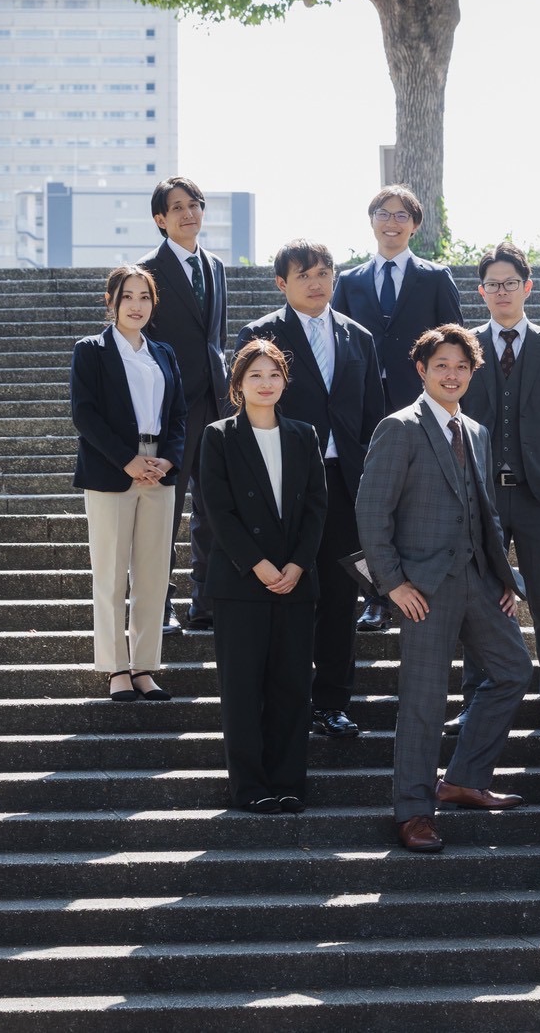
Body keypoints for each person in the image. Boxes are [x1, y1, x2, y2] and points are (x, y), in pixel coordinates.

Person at [354, 323, 535, 853]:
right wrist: (393, 585)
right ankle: (414, 811)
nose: (451, 375)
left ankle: (462, 779)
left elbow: (485, 512)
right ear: (422, 370)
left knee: (512, 670)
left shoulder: (475, 431)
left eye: (461, 367)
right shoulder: (399, 427)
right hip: (424, 588)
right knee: (424, 699)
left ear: (472, 373)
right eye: (441, 366)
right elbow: (371, 513)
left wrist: (504, 577)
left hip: (479, 579)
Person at [238, 240, 384, 741]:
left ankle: (332, 704)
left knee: (341, 596)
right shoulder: (259, 335)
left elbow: (373, 416)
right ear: (282, 283)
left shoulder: (359, 336)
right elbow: (246, 411)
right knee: (287, 593)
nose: (316, 282)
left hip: (345, 483)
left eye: (324, 272)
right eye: (304, 275)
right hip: (285, 483)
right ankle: (284, 702)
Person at [457, 242, 540, 738]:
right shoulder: (464, 347)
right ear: (481, 291)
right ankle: (475, 702)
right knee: (479, 600)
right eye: (492, 284)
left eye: (510, 283)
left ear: (527, 287)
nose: (502, 292)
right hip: (482, 495)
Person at [198, 339, 327, 814]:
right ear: (238, 383)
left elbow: (317, 507)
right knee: (242, 689)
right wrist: (257, 564)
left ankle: (289, 782)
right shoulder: (218, 436)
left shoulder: (304, 435)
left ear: (285, 382)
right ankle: (249, 786)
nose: (266, 383)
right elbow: (218, 511)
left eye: (274, 374)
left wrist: (298, 563)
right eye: (255, 375)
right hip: (240, 582)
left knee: (292, 686)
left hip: (296, 580)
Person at [331, 184, 464, 633]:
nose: (392, 222)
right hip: (363, 407)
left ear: (415, 225)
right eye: (384, 214)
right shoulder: (349, 281)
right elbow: (337, 340)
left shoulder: (435, 277)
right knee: (371, 500)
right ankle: (376, 596)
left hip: (419, 403)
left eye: (402, 215)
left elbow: (454, 341)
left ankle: (420, 586)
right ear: (371, 221)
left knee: (415, 499)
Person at [70, 265, 187, 701]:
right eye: (127, 296)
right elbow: (84, 414)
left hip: (159, 470)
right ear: (111, 301)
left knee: (153, 576)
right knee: (111, 575)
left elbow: (179, 415)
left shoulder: (164, 353)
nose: (136, 305)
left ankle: (144, 667)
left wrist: (168, 459)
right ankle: (116, 668)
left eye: (145, 297)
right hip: (111, 471)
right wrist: (127, 460)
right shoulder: (91, 350)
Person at [138, 175, 231, 635]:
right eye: (177, 207)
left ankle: (206, 601)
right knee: (164, 511)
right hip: (169, 407)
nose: (189, 213)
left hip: (217, 404)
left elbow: (217, 337)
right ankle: (157, 604)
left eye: (195, 204)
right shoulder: (146, 272)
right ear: (161, 219)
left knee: (213, 508)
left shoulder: (215, 266)